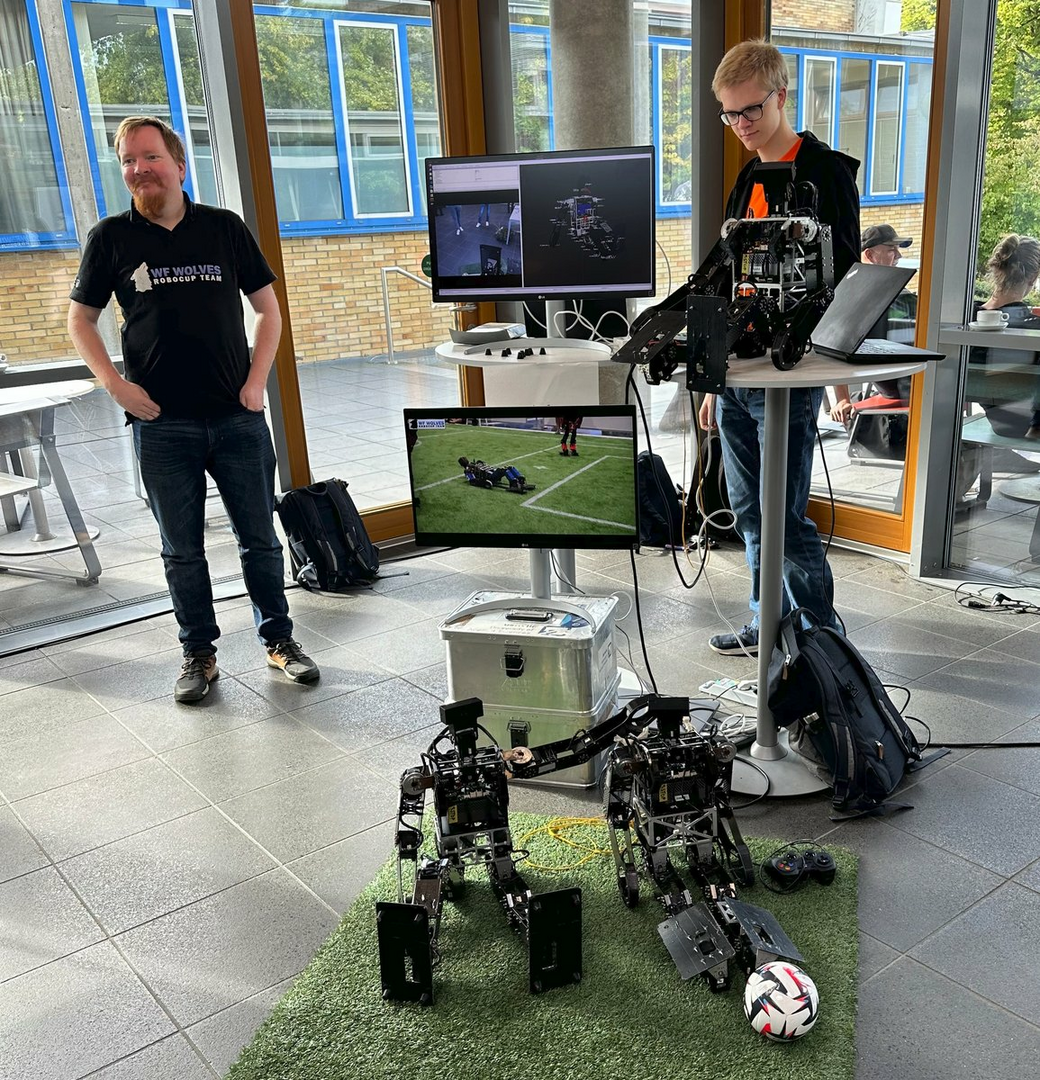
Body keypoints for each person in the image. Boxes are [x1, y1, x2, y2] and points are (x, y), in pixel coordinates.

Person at [67, 116, 320, 703]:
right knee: (182, 550)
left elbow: (268, 310)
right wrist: (116, 386)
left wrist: (258, 382)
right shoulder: (110, 238)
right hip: (160, 425)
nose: (138, 170)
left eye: (149, 157)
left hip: (237, 419)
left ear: (179, 164)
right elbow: (80, 319)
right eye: (128, 160)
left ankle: (279, 641)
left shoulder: (224, 229)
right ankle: (199, 655)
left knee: (259, 539)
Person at [698, 39, 859, 656]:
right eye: (730, 114)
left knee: (784, 519)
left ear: (781, 96)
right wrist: (715, 377)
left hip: (790, 377)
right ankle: (769, 620)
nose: (740, 125)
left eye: (751, 112)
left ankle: (821, 640)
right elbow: (727, 278)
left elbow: (840, 276)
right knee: (748, 511)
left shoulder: (824, 173)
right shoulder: (750, 178)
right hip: (743, 372)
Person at [830, 223, 915, 423]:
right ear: (869, 254)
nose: (898, 256)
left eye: (898, 250)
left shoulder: (901, 295)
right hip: (901, 384)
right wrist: (841, 399)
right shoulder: (853, 297)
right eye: (891, 249)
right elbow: (837, 343)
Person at [967, 233, 1040, 441]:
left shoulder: (967, 316)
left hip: (999, 418)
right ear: (1032, 279)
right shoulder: (1029, 328)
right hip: (1021, 423)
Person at [458, 456, 533, 493]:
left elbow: (472, 480)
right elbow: (473, 480)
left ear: (461, 465)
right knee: (507, 468)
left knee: (507, 468)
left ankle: (518, 481)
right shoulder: (473, 466)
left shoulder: (469, 468)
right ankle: (515, 481)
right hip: (490, 475)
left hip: (491, 475)